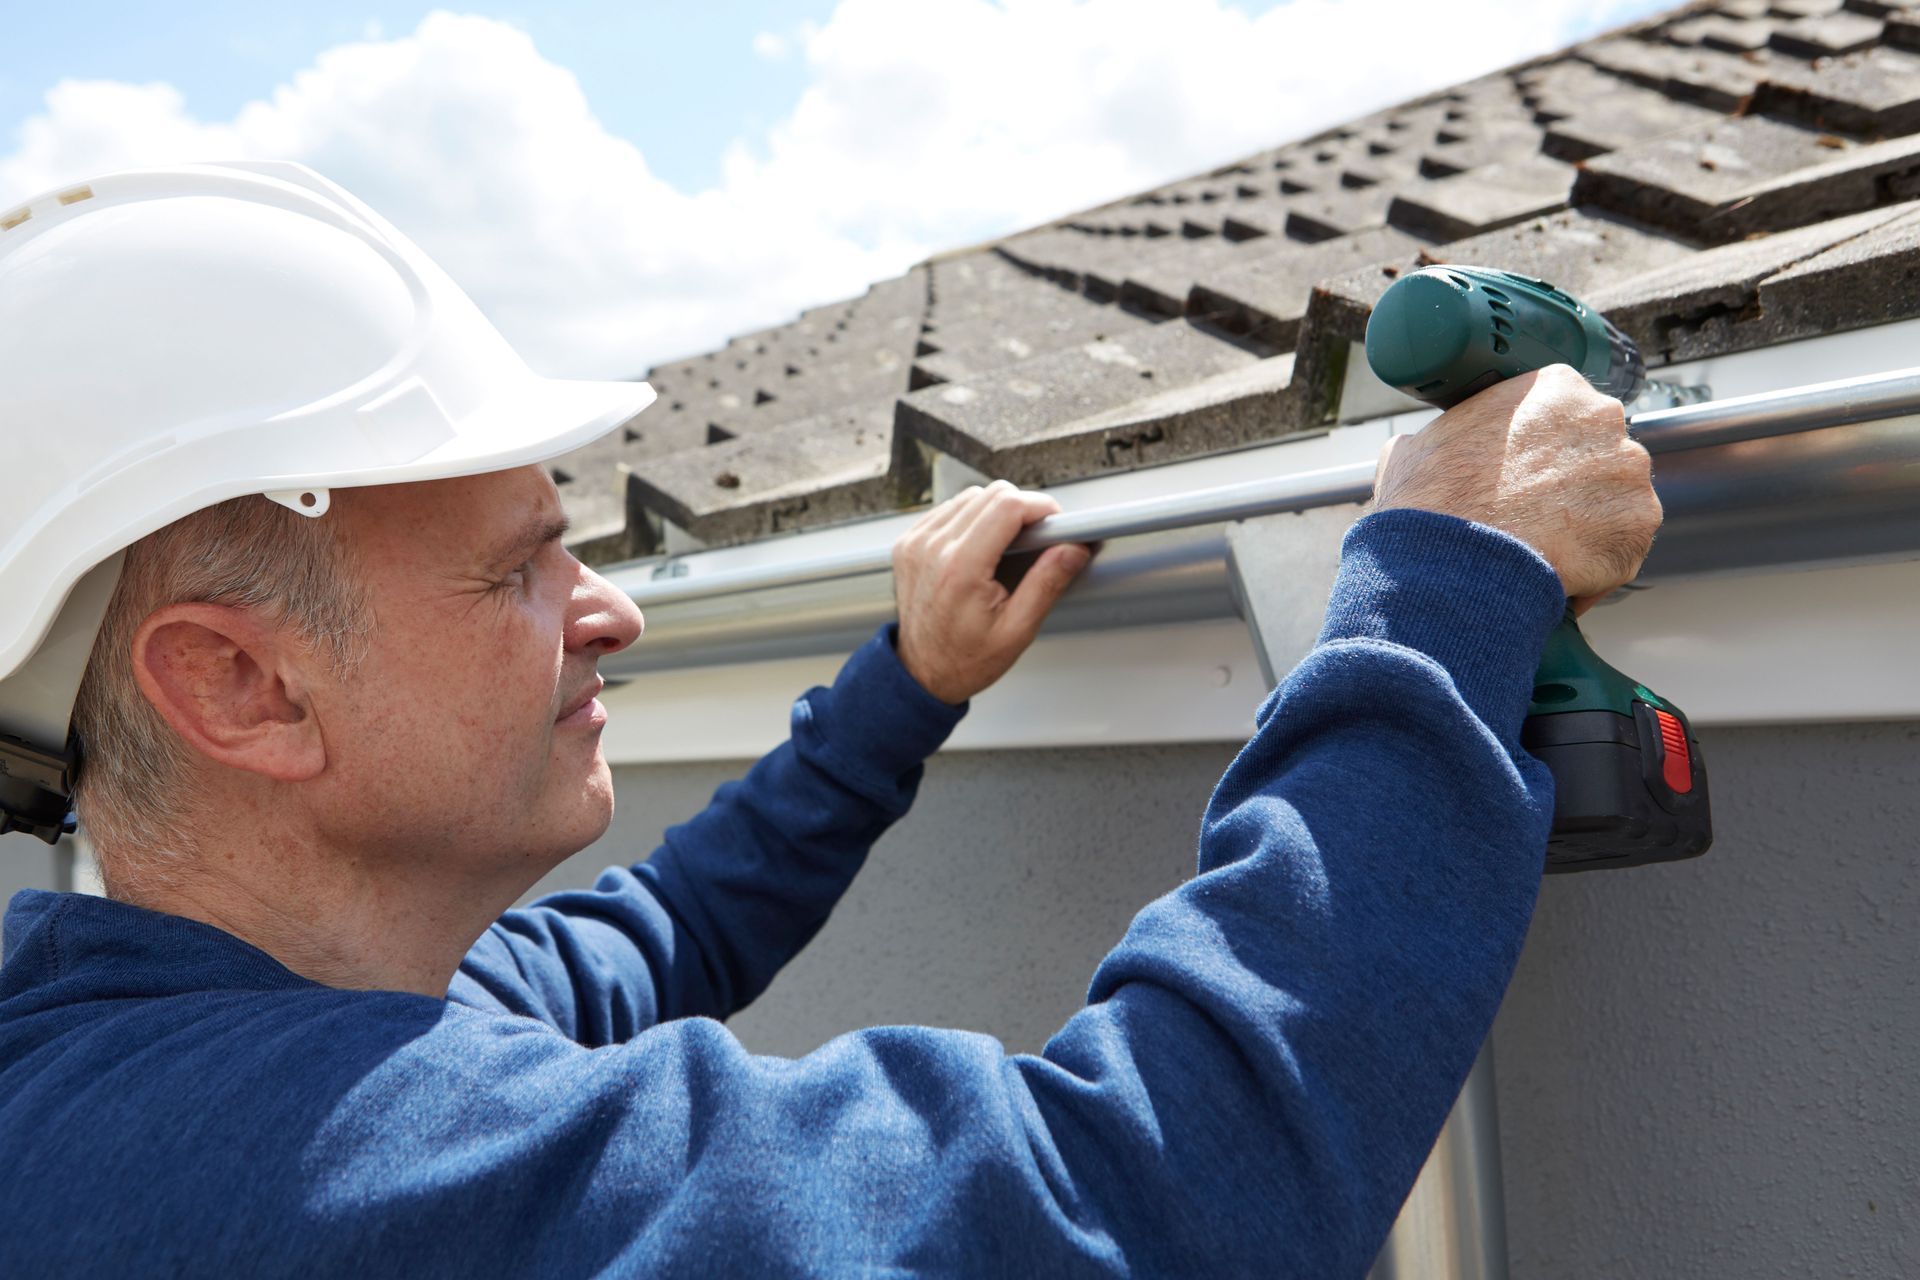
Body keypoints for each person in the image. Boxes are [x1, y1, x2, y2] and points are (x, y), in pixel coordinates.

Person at [0, 163, 1658, 1277]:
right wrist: (1446, 583)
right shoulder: (301, 1169)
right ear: (241, 686)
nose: (611, 608)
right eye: (515, 571)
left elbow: (662, 932)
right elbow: (1134, 1201)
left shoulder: (205, 1018)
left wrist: (905, 685)